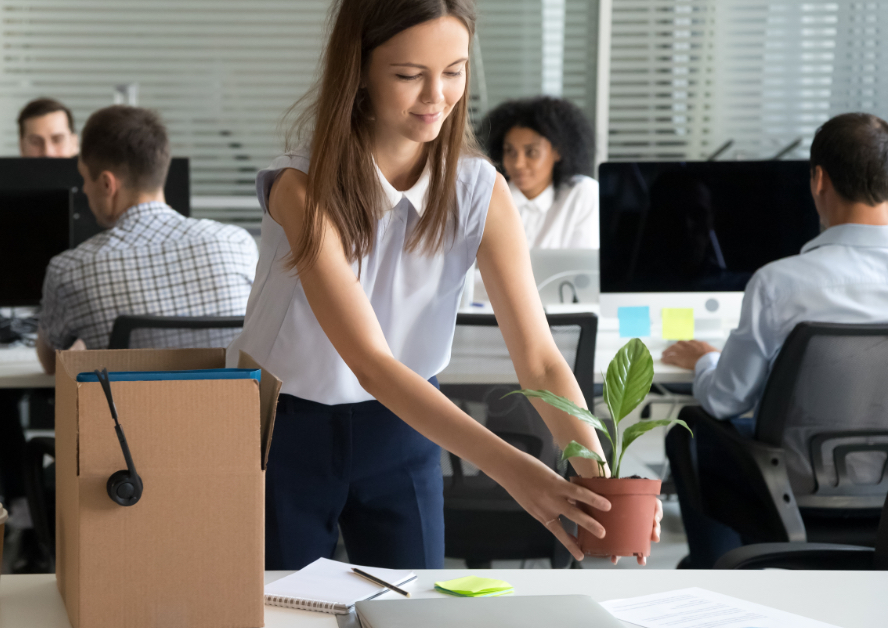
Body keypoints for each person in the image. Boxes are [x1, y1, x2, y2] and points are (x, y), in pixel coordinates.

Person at [229, 0, 659, 571]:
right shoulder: (300, 190)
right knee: (282, 609)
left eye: (454, 71)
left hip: (407, 425)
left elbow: (540, 359)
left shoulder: (481, 191)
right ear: (358, 71)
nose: (437, 96)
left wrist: (602, 484)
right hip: (285, 430)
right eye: (409, 75)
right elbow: (371, 363)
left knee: (416, 609)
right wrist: (514, 471)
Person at [661, 112, 888, 569]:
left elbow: (726, 401)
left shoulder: (779, 284)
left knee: (691, 429)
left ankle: (721, 574)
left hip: (791, 491)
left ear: (818, 180)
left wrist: (708, 362)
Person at [35, 105, 257, 369]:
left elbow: (50, 362)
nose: (83, 188)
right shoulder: (237, 244)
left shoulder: (70, 269)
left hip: (126, 412)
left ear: (107, 184)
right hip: (228, 409)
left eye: (84, 178)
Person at [0, 95, 80, 573]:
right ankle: (22, 505)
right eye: (36, 142)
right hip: (17, 323)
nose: (47, 151)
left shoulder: (100, 189)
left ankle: (63, 506)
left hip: (79, 329)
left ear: (74, 142)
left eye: (57, 139)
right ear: (20, 146)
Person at [480, 96, 598, 249]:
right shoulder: (486, 198)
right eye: (510, 151)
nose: (518, 163)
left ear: (558, 152)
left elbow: (582, 267)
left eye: (531, 152)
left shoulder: (581, 194)